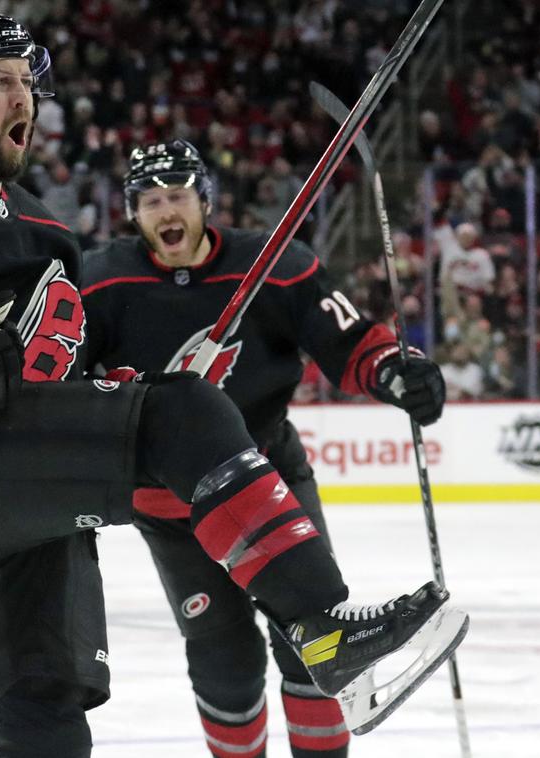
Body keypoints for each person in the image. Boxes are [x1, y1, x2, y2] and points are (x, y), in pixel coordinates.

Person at [0, 13, 466, 758]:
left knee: (46, 708)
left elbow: (70, 379)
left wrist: (123, 386)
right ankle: (322, 626)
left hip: (26, 490)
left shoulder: (47, 234)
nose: (24, 99)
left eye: (28, 82)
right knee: (183, 414)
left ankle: (305, 629)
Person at [81, 141, 449, 758]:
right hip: (175, 509)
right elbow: (66, 376)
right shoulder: (102, 281)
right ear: (132, 214)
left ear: (204, 200)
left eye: (176, 196)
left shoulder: (276, 265)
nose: (164, 211)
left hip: (271, 480)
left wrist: (393, 370)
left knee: (316, 644)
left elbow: (349, 341)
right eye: (149, 201)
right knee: (224, 658)